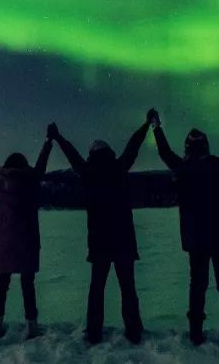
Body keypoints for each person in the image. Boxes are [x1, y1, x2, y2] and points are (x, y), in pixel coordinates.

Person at [150, 108, 219, 346]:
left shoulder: (183, 169)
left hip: (195, 238)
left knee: (197, 285)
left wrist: (156, 127)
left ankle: (196, 333)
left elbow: (165, 153)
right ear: (206, 146)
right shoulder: (218, 166)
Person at [49, 116, 151, 344]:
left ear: (92, 154)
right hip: (124, 238)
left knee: (97, 289)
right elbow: (133, 146)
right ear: (109, 152)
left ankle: (94, 333)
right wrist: (145, 125)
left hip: (99, 240)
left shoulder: (87, 171)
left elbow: (72, 155)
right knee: (128, 287)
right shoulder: (119, 166)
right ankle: (133, 331)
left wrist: (57, 137)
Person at [0, 127, 53, 339]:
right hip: (27, 240)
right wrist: (48, 141)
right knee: (27, 285)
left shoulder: (1, 179)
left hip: (5, 242)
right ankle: (32, 328)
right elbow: (42, 162)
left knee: (2, 283)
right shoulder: (33, 177)